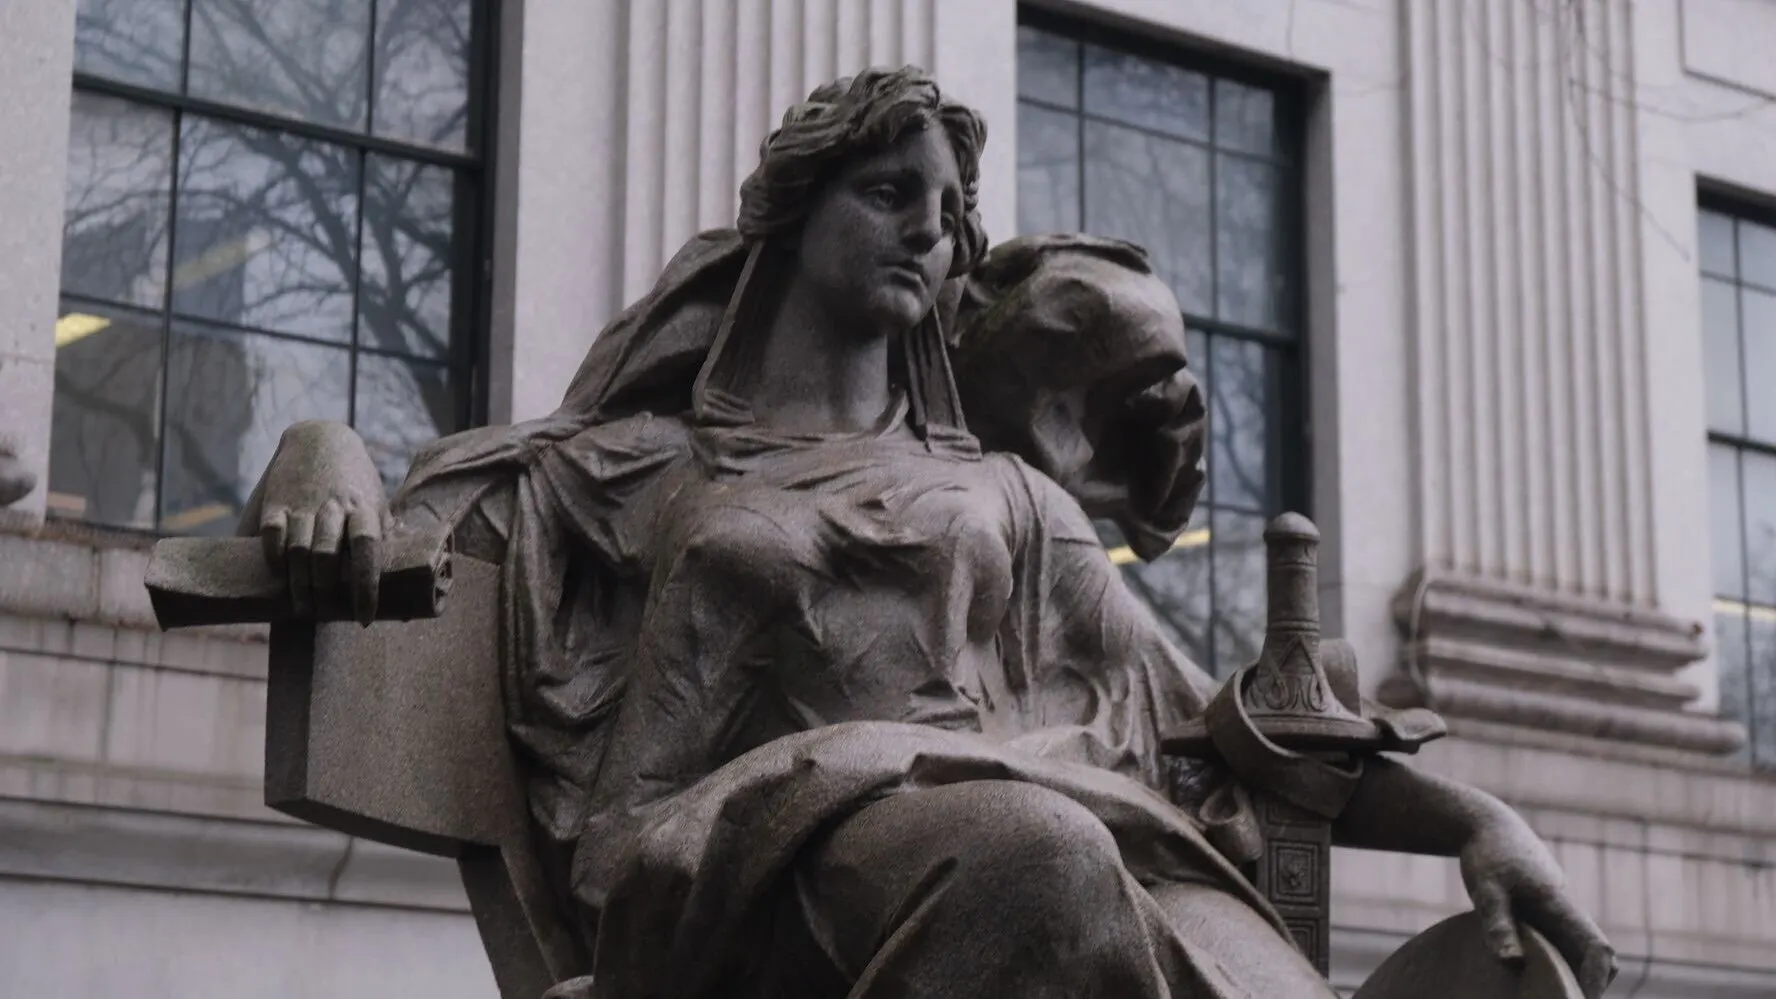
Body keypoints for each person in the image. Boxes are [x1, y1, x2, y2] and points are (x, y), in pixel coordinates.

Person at [242, 67, 1614, 999]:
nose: (932, 234)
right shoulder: (640, 464)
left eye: (950, 214)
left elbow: (1225, 733)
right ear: (793, 213)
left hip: (1020, 842)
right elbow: (443, 502)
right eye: (889, 195)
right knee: (1037, 854)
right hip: (732, 864)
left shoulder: (1010, 499)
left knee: (1088, 870)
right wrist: (321, 452)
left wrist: (1481, 816)